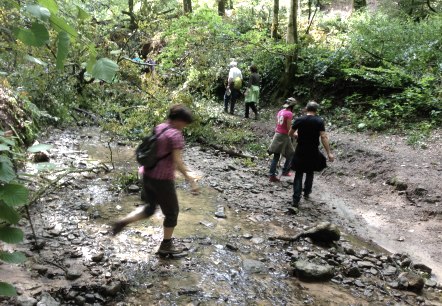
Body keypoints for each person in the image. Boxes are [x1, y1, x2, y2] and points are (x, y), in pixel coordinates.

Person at [111, 104, 200, 255]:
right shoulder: (175, 135)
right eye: (184, 123)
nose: (184, 126)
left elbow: (160, 153)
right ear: (179, 120)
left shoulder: (160, 127)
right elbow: (178, 161)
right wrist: (190, 180)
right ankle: (166, 246)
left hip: (147, 174)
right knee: (172, 213)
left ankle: (124, 221)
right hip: (162, 180)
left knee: (150, 208)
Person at [289, 101, 334, 207]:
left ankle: (296, 199)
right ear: (316, 110)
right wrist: (329, 153)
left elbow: (290, 133)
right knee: (310, 171)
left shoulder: (300, 119)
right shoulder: (319, 121)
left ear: (306, 108)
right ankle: (307, 192)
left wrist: (296, 135)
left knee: (299, 173)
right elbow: (323, 137)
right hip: (313, 150)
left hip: (300, 149)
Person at [267, 98, 297, 182]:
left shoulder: (281, 111)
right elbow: (288, 128)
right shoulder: (289, 113)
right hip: (284, 136)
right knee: (285, 154)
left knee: (288, 153)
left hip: (278, 134)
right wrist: (294, 134)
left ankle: (284, 171)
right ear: (293, 106)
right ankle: (273, 174)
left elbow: (278, 123)